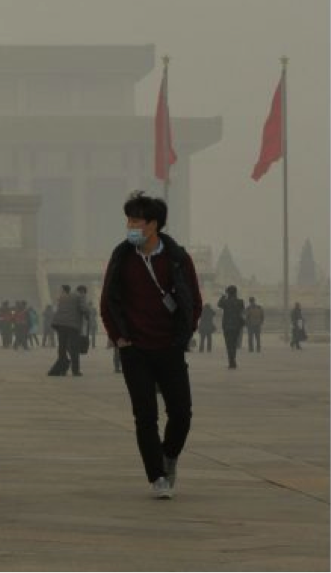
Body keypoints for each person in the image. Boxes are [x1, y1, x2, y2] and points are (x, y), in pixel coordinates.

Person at [100, 191, 202, 500]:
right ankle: (157, 475)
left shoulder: (177, 258)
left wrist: (183, 335)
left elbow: (193, 301)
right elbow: (107, 300)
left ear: (153, 225)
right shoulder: (122, 257)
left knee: (181, 414)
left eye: (136, 220)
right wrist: (120, 338)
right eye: (128, 220)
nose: (130, 225)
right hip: (135, 349)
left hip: (169, 347)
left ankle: (168, 456)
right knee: (145, 416)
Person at [48, 284, 89, 376]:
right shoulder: (80, 296)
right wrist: (87, 313)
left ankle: (62, 367)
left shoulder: (64, 296)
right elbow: (84, 309)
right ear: (83, 291)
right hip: (72, 326)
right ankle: (75, 370)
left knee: (62, 347)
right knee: (74, 348)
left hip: (59, 324)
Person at [217, 285, 245, 369]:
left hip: (226, 326)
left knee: (228, 344)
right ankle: (233, 359)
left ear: (228, 292)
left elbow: (219, 304)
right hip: (236, 325)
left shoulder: (225, 302)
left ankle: (231, 360)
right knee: (234, 344)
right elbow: (242, 311)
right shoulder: (240, 302)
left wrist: (223, 296)